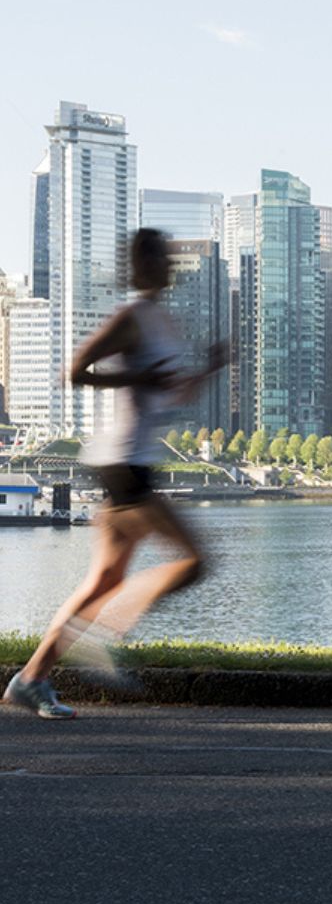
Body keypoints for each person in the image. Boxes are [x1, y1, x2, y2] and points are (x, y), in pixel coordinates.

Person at [3, 228, 226, 719]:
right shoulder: (131, 317)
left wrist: (209, 370)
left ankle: (31, 678)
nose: (162, 262)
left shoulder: (162, 321)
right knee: (195, 561)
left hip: (128, 461)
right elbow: (77, 369)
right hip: (125, 461)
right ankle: (103, 637)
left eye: (164, 255)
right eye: (152, 256)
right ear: (137, 266)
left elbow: (171, 394)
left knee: (102, 582)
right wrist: (137, 376)